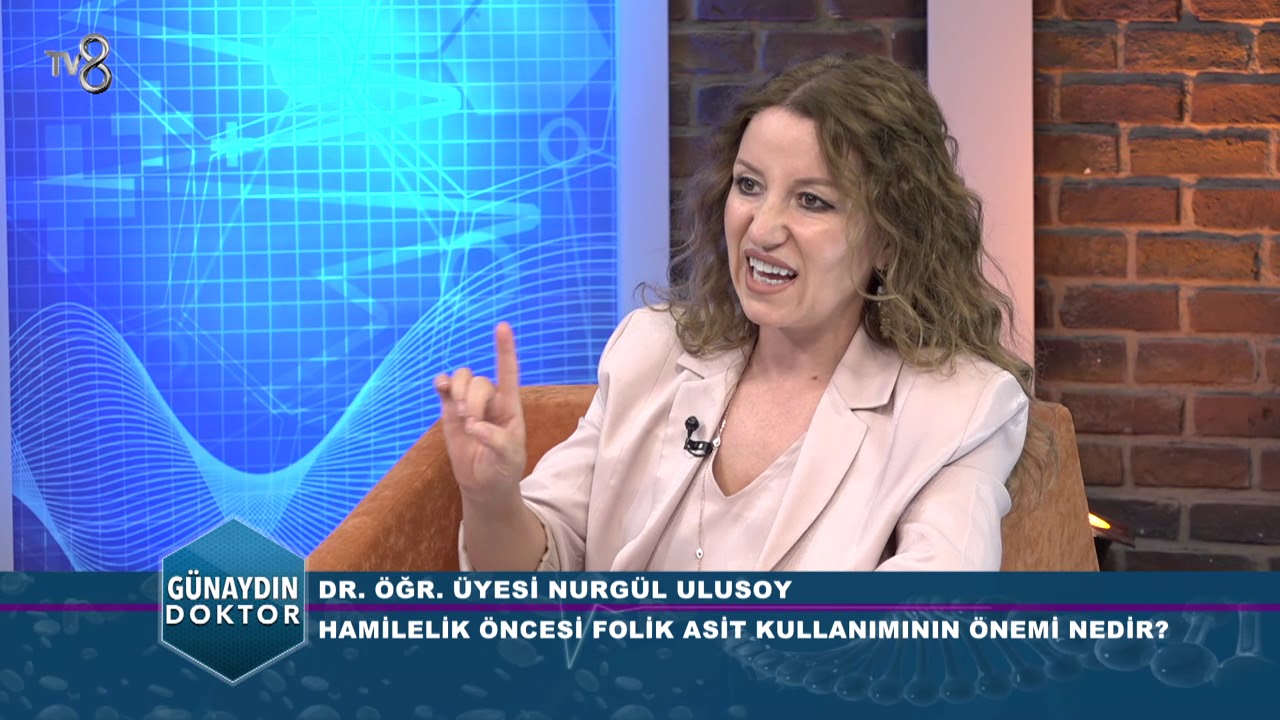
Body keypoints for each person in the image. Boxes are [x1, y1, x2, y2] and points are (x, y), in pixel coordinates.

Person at [434, 54, 1037, 572]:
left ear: (889, 237)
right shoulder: (651, 350)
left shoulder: (959, 410)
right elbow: (537, 575)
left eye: (811, 200)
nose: (762, 228)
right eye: (749, 185)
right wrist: (491, 499)